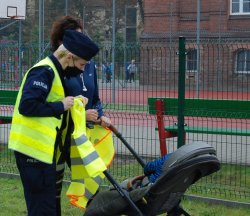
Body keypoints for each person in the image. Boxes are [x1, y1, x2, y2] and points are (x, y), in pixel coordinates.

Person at [8, 30, 99, 216]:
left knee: (49, 205)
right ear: (70, 57)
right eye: (82, 64)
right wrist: (61, 105)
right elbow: (27, 105)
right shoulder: (44, 71)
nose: (82, 70)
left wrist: (74, 104)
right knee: (43, 208)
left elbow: (51, 106)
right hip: (32, 154)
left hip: (44, 153)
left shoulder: (56, 73)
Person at [50, 16, 111, 129]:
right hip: (65, 131)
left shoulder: (90, 65)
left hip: (85, 132)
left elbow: (95, 98)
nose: (80, 43)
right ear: (62, 42)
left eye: (81, 37)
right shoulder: (54, 69)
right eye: (75, 38)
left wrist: (101, 115)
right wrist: (81, 116)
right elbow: (54, 106)